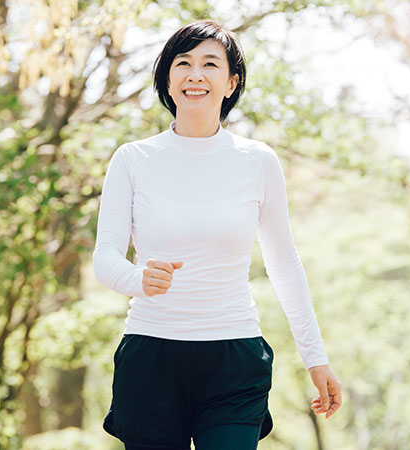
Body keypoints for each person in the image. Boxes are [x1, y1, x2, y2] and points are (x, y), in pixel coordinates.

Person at [92, 19, 342, 450]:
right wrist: (139, 279)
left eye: (210, 64)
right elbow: (105, 256)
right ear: (167, 81)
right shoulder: (133, 159)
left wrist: (314, 358)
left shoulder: (258, 161)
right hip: (152, 356)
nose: (195, 74)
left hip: (234, 356)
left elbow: (283, 262)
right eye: (183, 63)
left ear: (230, 83)